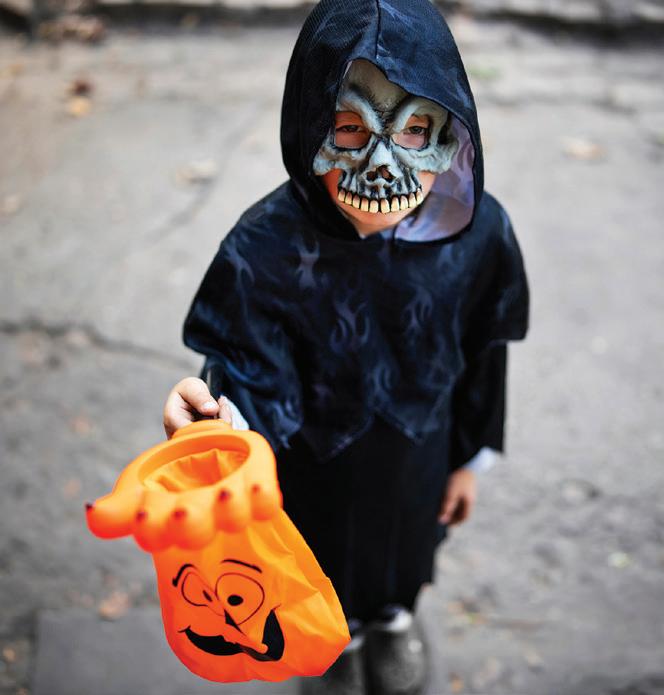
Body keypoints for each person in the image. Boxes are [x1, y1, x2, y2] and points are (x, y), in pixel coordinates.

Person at [163, 1, 529, 693]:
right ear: (309, 127)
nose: (383, 164)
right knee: (322, 556)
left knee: (406, 551)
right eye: (350, 129)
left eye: (413, 129)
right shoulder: (264, 248)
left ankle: (392, 619)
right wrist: (215, 427)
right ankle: (337, 634)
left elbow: (485, 351)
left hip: (420, 451)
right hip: (313, 465)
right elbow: (248, 372)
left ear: (452, 132)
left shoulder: (479, 236)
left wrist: (468, 459)